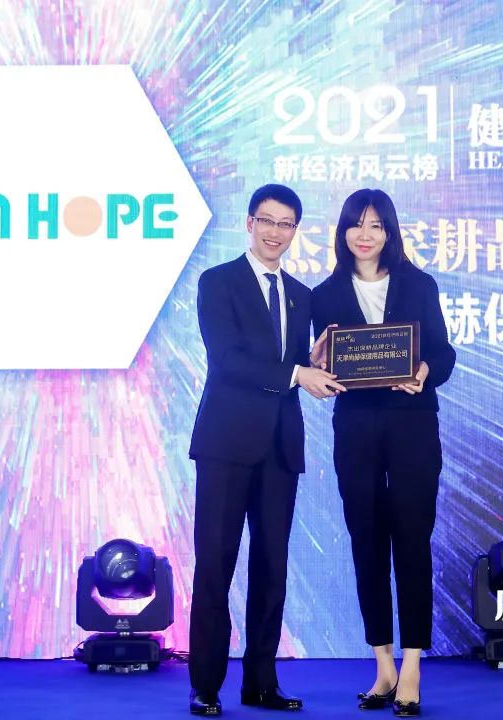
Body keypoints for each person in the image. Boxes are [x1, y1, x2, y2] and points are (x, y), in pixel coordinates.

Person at [188, 184, 344, 716]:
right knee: (215, 564)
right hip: (225, 445)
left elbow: (290, 365)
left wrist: (313, 362)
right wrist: (298, 372)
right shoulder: (218, 282)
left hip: (280, 447)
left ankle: (261, 682)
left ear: (295, 230)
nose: (276, 232)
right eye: (267, 221)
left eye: (286, 224)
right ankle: (206, 685)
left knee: (272, 567)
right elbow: (228, 360)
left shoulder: (300, 294)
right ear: (249, 223)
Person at [311, 189, 455, 717]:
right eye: (356, 224)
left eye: (376, 225)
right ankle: (384, 665)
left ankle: (412, 665)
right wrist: (317, 363)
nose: (365, 234)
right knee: (366, 540)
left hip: (412, 424)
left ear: (390, 231)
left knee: (412, 538)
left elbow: (443, 352)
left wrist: (424, 371)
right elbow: (324, 364)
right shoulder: (324, 294)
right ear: (343, 232)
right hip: (355, 427)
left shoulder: (419, 284)